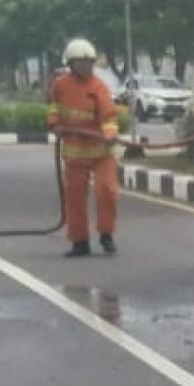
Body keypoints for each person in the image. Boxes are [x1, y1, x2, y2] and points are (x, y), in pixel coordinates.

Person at [46, 38, 120, 257]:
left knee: (107, 192)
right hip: (74, 152)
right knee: (75, 198)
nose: (86, 66)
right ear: (71, 64)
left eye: (89, 62)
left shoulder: (99, 87)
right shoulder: (61, 85)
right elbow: (54, 109)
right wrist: (55, 124)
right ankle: (80, 242)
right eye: (81, 62)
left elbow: (109, 115)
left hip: (101, 152)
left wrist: (109, 132)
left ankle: (106, 234)